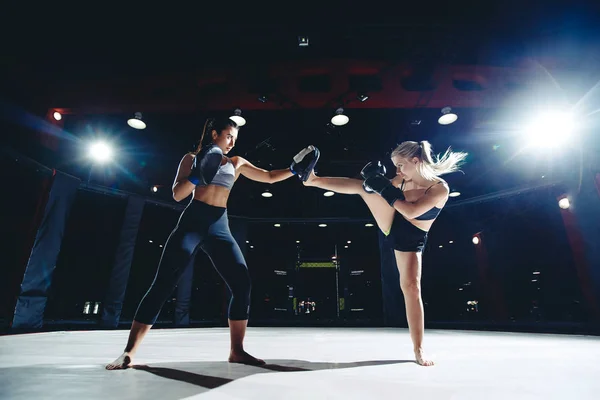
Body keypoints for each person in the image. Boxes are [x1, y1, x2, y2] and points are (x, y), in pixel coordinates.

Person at [106, 117, 319, 369]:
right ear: (215, 133)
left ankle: (237, 351)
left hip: (220, 226)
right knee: (162, 284)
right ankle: (129, 352)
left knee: (242, 285)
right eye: (228, 136)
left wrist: (294, 170)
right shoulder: (190, 158)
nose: (231, 142)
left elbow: (270, 177)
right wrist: (197, 175)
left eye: (235, 139)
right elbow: (177, 194)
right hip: (192, 223)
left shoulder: (236, 163)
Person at [303, 140, 467, 366]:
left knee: (411, 288)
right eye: (395, 166)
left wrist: (383, 187)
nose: (397, 171)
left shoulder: (439, 188)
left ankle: (418, 349)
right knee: (362, 187)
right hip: (391, 221)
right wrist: (376, 184)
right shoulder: (401, 180)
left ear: (416, 161)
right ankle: (312, 180)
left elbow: (411, 211)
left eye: (400, 165)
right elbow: (378, 191)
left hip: (411, 236)